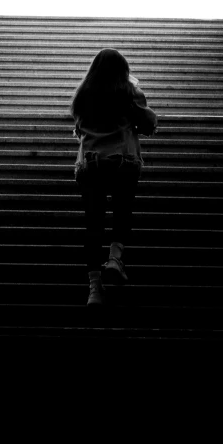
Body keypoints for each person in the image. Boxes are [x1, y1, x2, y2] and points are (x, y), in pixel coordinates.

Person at [71, 48, 158, 306]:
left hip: (91, 164)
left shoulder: (83, 95)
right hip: (123, 162)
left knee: (93, 223)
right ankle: (114, 257)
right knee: (122, 211)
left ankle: (95, 289)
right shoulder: (129, 92)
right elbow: (149, 124)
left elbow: (79, 128)